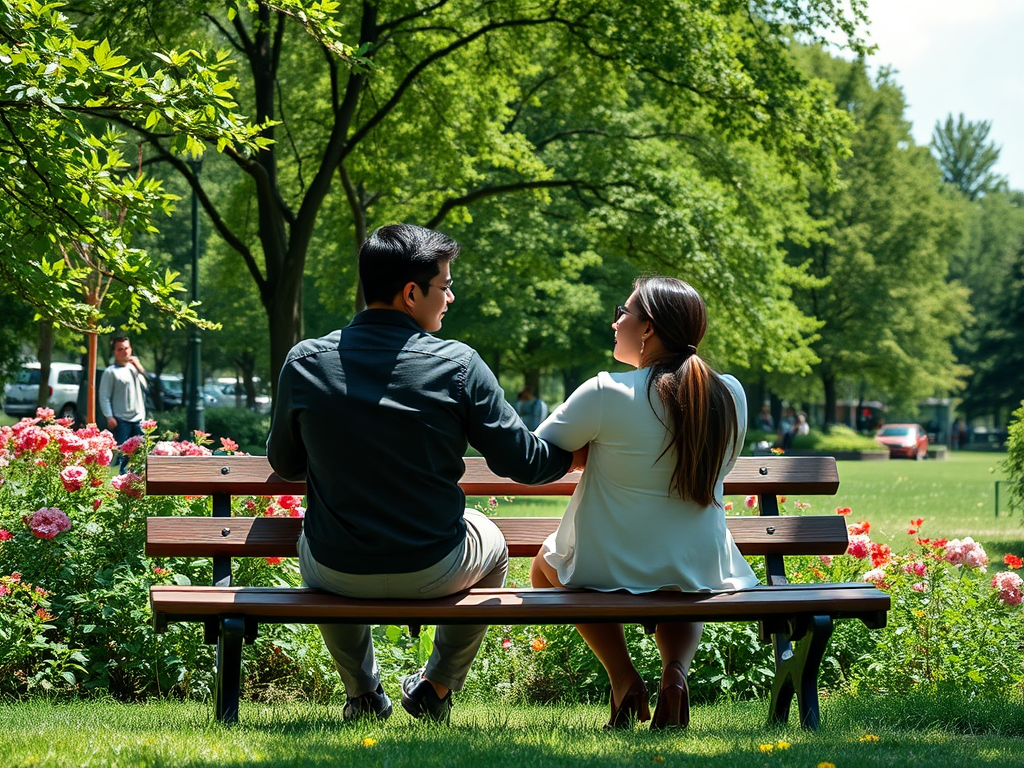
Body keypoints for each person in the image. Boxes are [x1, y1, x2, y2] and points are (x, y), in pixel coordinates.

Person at [267, 224, 583, 724]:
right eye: (445, 285)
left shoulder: (306, 361)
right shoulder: (458, 364)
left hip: (336, 569)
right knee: (494, 541)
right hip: (435, 567)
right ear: (411, 293)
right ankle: (436, 686)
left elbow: (285, 464)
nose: (451, 296)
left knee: (321, 539)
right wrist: (573, 456)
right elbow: (520, 461)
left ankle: (364, 694)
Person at [530, 276, 757, 730]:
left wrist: (590, 450)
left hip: (605, 567)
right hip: (699, 566)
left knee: (542, 570)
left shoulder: (605, 392)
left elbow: (539, 452)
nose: (616, 322)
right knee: (680, 583)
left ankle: (624, 679)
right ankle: (674, 675)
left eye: (623, 312)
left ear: (648, 328)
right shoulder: (730, 393)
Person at [98, 335, 147, 473]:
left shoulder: (134, 369)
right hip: (121, 420)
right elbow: (104, 396)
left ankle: (137, 481)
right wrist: (109, 416)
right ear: (115, 352)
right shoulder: (110, 372)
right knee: (122, 456)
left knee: (139, 455)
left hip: (138, 419)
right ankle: (119, 481)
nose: (124, 352)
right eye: (120, 349)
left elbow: (147, 388)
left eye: (126, 348)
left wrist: (140, 369)